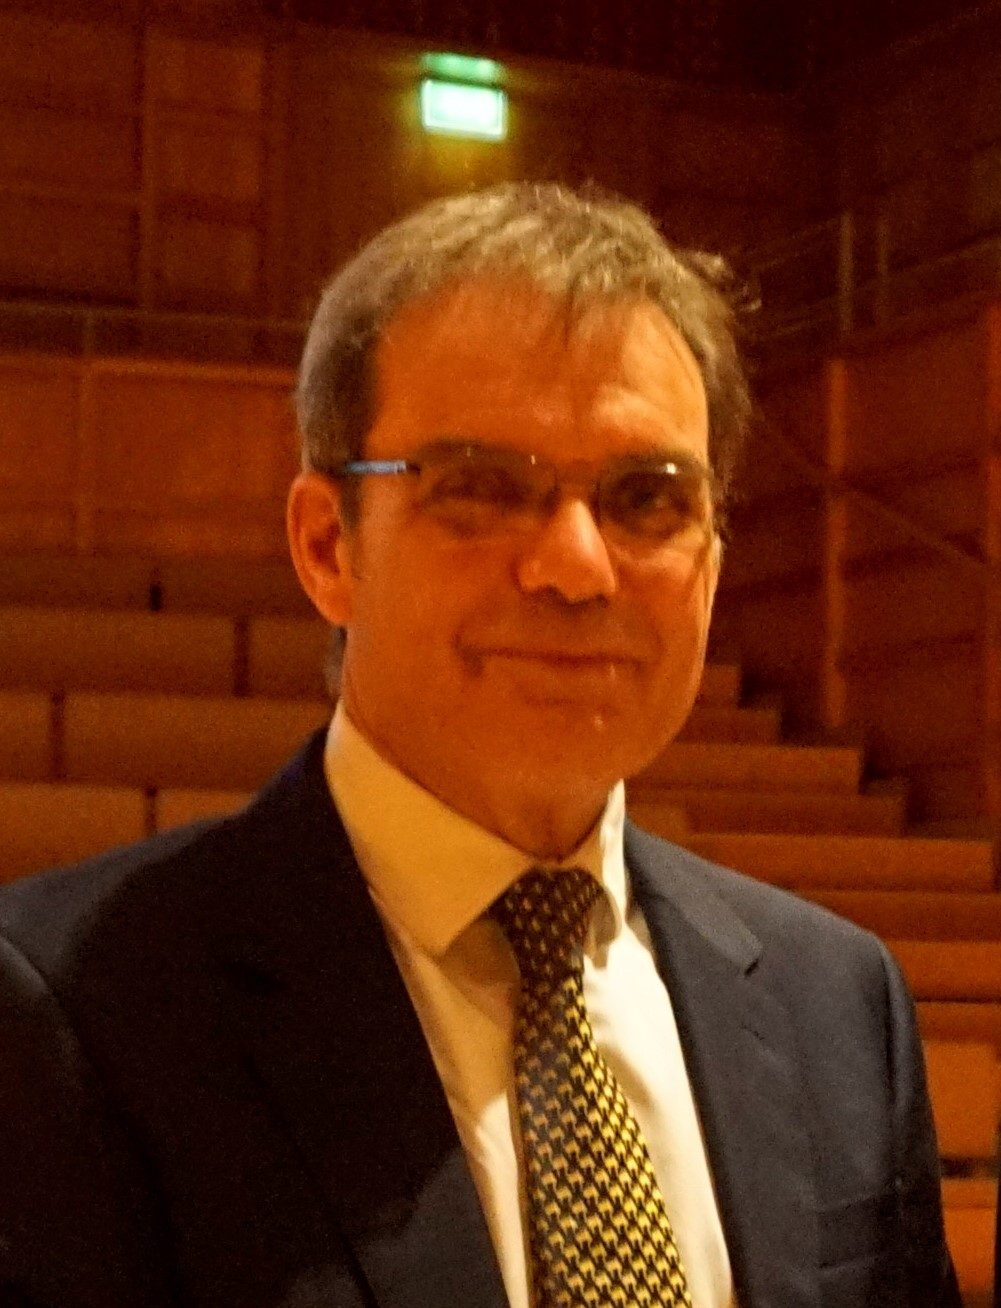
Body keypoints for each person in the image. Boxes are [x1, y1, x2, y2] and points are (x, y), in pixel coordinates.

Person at [0, 183, 960, 1308]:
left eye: (647, 498)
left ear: (710, 558)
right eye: (483, 489)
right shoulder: (68, 1010)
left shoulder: (838, 1004)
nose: (576, 566)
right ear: (327, 546)